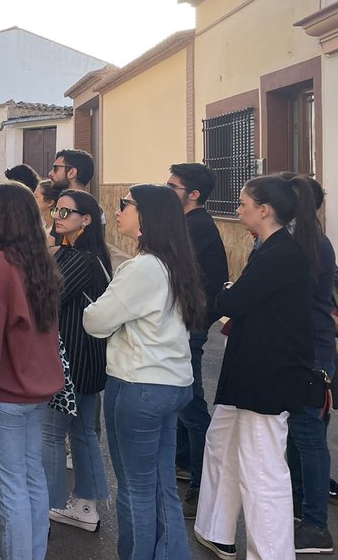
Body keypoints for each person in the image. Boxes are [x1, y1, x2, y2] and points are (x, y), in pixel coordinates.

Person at [193, 175, 317, 560]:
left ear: (264, 210)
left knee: (262, 469)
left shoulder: (282, 253)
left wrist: (226, 295)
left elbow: (237, 299)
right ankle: (216, 530)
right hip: (248, 371)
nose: (238, 209)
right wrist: (229, 294)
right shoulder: (270, 248)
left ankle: (271, 553)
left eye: (244, 203)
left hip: (268, 377)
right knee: (221, 445)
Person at [83, 185, 205, 560]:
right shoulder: (175, 262)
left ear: (146, 216)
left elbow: (96, 321)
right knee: (161, 484)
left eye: (125, 205)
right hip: (171, 383)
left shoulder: (142, 268)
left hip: (140, 385)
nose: (117, 211)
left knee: (136, 488)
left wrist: (98, 309)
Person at [0, 181, 64, 560]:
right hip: (36, 391)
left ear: (4, 217)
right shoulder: (39, 259)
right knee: (31, 480)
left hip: (6, 394)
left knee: (10, 489)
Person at [41, 190, 112, 532]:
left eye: (67, 211)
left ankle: (47, 506)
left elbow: (46, 300)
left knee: (51, 434)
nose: (58, 215)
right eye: (57, 209)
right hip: (88, 358)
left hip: (68, 359)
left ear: (86, 219)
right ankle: (85, 504)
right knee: (83, 433)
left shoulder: (77, 258)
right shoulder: (89, 255)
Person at [165, 162, 227, 514]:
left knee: (189, 403)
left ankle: (203, 488)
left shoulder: (196, 226)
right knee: (182, 401)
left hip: (191, 324)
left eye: (172, 187)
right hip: (187, 322)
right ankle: (186, 465)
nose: (167, 189)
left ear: (194, 195)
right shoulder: (190, 224)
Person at [285, 176, 336, 554]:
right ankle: (303, 510)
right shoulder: (303, 239)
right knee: (300, 434)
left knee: (308, 435)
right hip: (304, 349)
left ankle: (317, 526)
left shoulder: (307, 244)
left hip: (311, 353)